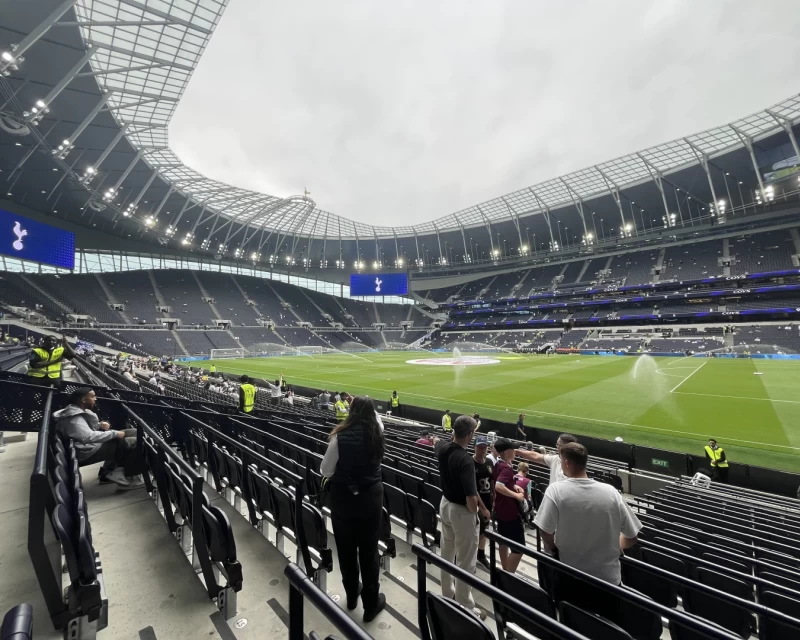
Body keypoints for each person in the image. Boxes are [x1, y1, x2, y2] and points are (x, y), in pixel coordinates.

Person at [533, 442, 641, 594]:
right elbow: (632, 536)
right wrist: (616, 546)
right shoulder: (611, 492)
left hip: (569, 576)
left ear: (567, 463)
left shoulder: (555, 490)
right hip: (608, 581)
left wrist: (553, 549)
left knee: (570, 615)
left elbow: (545, 531)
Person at [320, 396, 386, 622]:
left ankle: (351, 596)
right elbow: (376, 419)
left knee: (346, 550)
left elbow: (326, 470)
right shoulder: (377, 431)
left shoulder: (340, 436)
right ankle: (370, 604)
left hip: (344, 500)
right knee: (369, 552)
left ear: (351, 411)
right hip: (371, 499)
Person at [435, 415, 489, 617]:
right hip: (461, 511)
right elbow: (471, 499)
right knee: (466, 560)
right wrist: (478, 512)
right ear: (469, 435)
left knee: (447, 553)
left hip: (445, 504)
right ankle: (465, 605)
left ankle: (447, 595)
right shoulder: (465, 460)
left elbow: (437, 443)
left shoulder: (443, 447)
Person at [53, 388, 143, 489]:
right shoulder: (75, 419)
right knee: (136, 441)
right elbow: (87, 437)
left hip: (87, 446)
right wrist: (114, 433)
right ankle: (121, 474)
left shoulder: (76, 412)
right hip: (87, 451)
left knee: (135, 432)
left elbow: (82, 431)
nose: (95, 399)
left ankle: (107, 472)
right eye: (92, 397)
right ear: (83, 400)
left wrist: (100, 425)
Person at [492, 438, 526, 573]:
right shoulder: (506, 469)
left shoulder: (498, 465)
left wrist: (514, 486)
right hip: (510, 513)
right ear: (506, 452)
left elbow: (501, 483)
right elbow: (499, 486)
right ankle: (508, 575)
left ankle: (505, 568)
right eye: (513, 450)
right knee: (519, 548)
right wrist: (516, 495)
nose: (515, 452)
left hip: (500, 511)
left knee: (503, 541)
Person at [514, 433, 579, 485]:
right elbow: (536, 456)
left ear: (565, 447)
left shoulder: (576, 469)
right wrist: (516, 452)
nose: (556, 446)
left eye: (558, 444)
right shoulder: (555, 459)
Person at [473, 436, 494, 570]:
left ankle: (480, 555)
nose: (482, 450)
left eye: (484, 447)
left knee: (484, 530)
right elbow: (473, 489)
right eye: (480, 447)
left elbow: (492, 481)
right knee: (475, 531)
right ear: (474, 447)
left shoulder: (489, 462)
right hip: (476, 504)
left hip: (488, 501)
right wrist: (482, 508)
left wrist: (494, 498)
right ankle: (470, 557)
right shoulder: (470, 463)